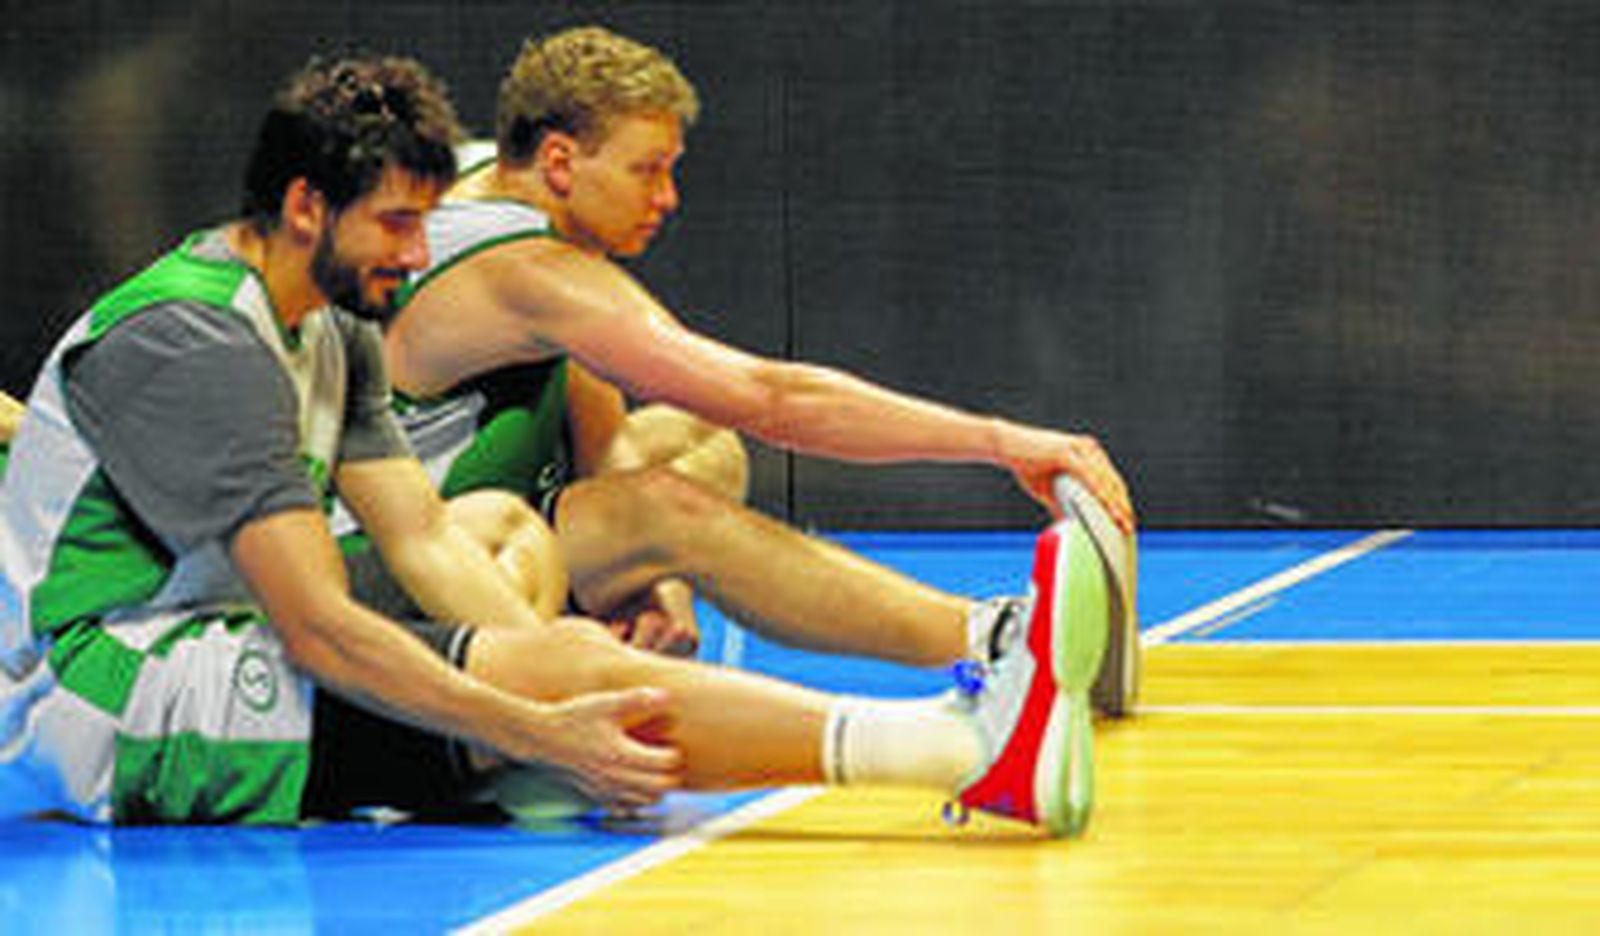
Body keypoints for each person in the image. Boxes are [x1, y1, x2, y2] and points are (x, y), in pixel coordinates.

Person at [0, 53, 1112, 837]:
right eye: (398, 224)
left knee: (509, 562)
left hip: (220, 618)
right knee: (549, 680)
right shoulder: (199, 342)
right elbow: (320, 629)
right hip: (108, 695)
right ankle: (966, 749)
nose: (420, 253)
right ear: (305, 206)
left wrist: (535, 686)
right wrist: (535, 721)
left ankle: (516, 764)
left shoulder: (330, 320)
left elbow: (424, 540)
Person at [366, 25, 1141, 714]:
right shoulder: (526, 270)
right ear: (562, 161)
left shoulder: (484, 175)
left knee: (694, 445)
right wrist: (1003, 442)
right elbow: (770, 398)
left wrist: (657, 585)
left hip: (455, 505)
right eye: (648, 170)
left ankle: (596, 616)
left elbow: (587, 398)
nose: (668, 197)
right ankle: (1000, 639)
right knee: (669, 505)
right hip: (413, 561)